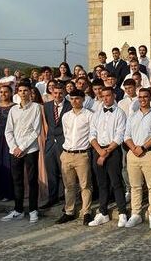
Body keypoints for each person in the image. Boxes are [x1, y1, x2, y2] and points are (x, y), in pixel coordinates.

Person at [88, 87, 129, 227]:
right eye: (103, 96)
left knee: (116, 182)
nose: (105, 98)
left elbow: (119, 135)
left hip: (113, 151)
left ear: (114, 96)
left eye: (108, 95)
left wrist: (106, 152)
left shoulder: (120, 113)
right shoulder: (96, 114)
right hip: (98, 150)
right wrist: (100, 151)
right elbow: (92, 134)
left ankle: (123, 213)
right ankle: (103, 212)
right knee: (102, 184)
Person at [2, 82, 42, 223]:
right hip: (15, 150)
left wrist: (23, 147)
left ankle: (33, 210)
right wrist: (14, 147)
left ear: (30, 92)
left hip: (30, 149)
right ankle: (18, 210)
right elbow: (8, 130)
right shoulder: (13, 110)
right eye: (20, 90)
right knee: (17, 180)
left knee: (32, 181)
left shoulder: (36, 108)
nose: (23, 93)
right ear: (17, 93)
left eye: (26, 90)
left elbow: (36, 130)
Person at [123, 88, 151, 228]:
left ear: (150, 98)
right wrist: (134, 148)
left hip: (149, 153)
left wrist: (143, 148)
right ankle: (136, 214)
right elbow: (126, 135)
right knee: (135, 186)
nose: (142, 99)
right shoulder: (132, 116)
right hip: (133, 153)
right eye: (140, 97)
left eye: (145, 97)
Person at [55, 90, 94, 226]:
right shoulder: (66, 116)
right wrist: (64, 153)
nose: (74, 101)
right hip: (66, 153)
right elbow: (66, 134)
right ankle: (69, 212)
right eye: (71, 99)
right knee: (69, 186)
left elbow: (92, 134)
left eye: (77, 98)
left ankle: (86, 212)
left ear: (83, 99)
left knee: (85, 185)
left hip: (82, 154)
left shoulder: (90, 115)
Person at [41, 83, 72, 209]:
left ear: (64, 93)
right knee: (51, 171)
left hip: (63, 142)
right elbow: (48, 123)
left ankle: (66, 199)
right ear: (52, 93)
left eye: (60, 93)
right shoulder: (47, 106)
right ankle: (52, 198)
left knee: (65, 172)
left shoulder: (69, 106)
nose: (58, 95)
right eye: (55, 93)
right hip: (50, 142)